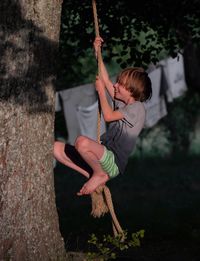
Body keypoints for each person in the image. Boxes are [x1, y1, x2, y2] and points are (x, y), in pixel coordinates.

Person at [54, 36, 152, 195]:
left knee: (82, 142)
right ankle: (92, 174)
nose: (115, 85)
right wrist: (97, 52)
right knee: (56, 148)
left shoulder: (137, 108)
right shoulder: (122, 102)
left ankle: (100, 174)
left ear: (131, 90)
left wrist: (100, 92)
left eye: (120, 84)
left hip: (113, 162)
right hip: (99, 158)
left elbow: (107, 116)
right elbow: (106, 79)